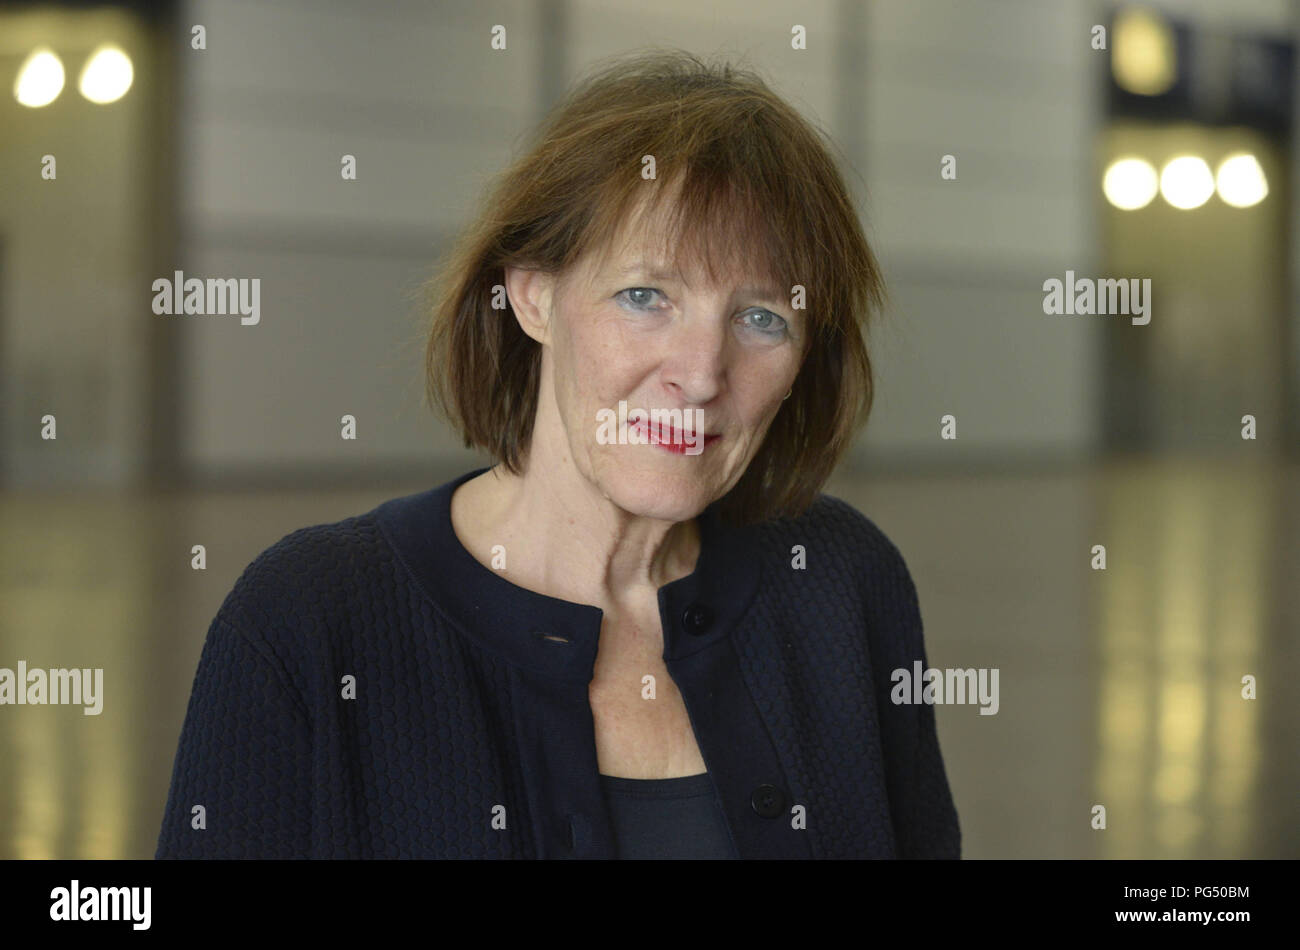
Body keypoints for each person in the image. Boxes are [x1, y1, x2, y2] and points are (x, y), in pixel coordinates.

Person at [156, 49, 960, 859]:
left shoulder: (845, 586)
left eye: (761, 319)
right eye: (646, 297)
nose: (702, 373)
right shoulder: (309, 621)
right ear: (533, 294)